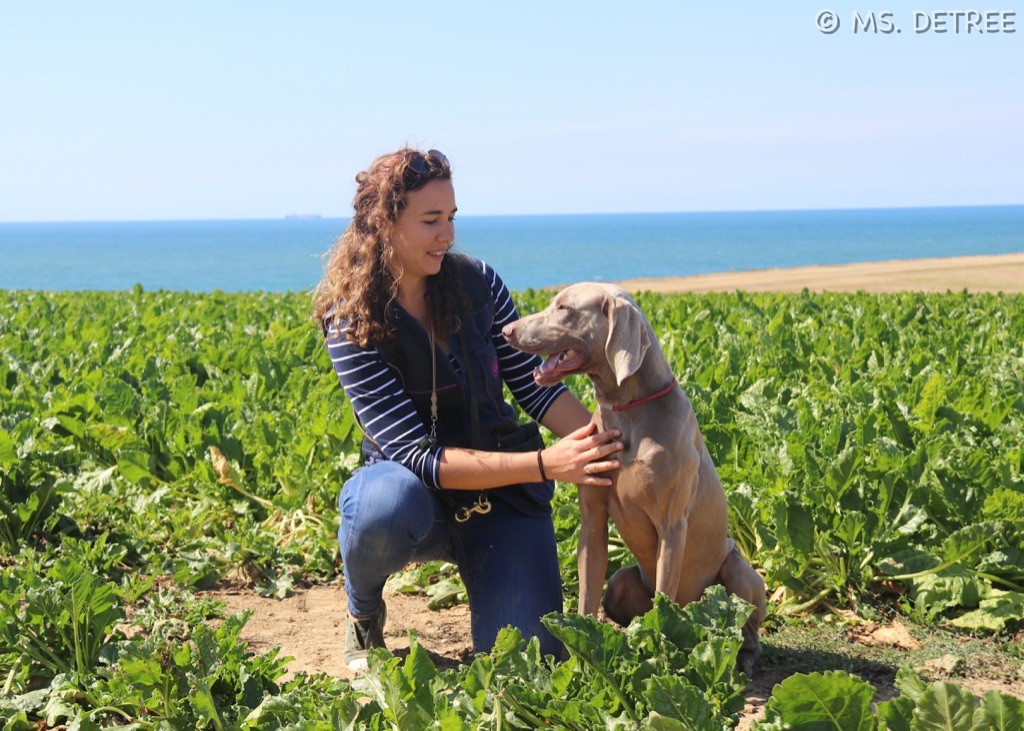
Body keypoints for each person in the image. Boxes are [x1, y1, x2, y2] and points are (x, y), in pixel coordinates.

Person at [313, 147, 623, 671]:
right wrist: (548, 464)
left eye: (452, 218)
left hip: (500, 497)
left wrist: (618, 446)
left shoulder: (479, 283)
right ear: (383, 225)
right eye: (431, 220)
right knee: (380, 508)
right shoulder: (351, 322)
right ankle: (364, 615)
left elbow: (538, 390)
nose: (448, 234)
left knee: (530, 662)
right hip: (417, 500)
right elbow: (417, 457)